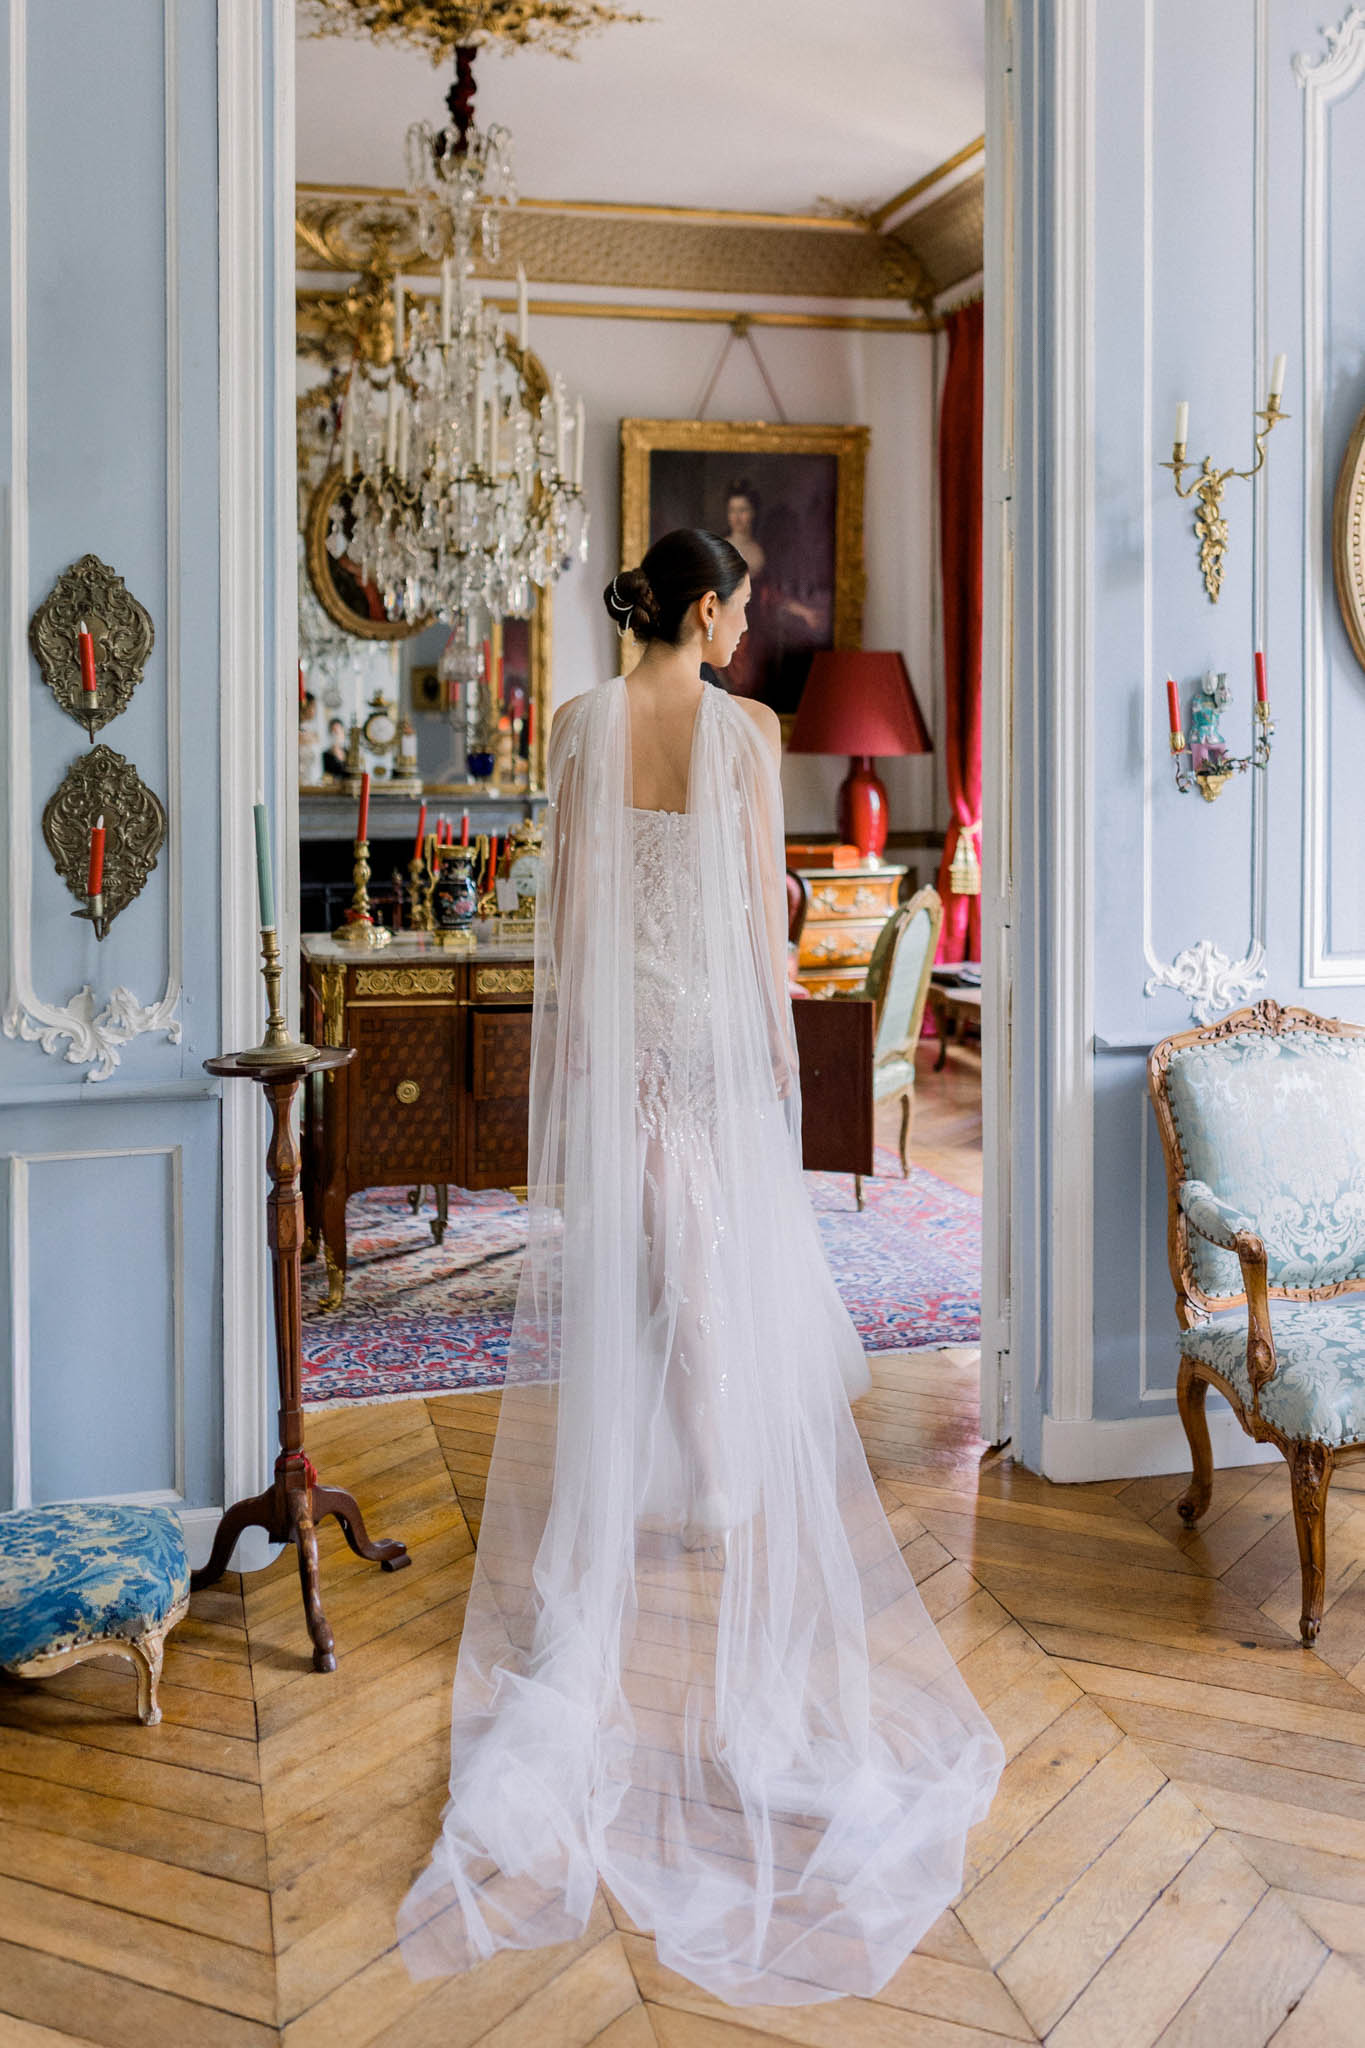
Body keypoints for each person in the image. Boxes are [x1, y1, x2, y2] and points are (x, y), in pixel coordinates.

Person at [396, 529, 1003, 2007]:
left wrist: (595, 1052)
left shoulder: (586, 723)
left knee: (657, 1270)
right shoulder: (743, 732)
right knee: (715, 1266)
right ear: (708, 607)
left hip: (626, 1042)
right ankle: (724, 1483)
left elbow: (580, 915)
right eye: (735, 607)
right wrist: (772, 1056)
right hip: (714, 1043)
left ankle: (676, 1478)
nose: (742, 630)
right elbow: (756, 917)